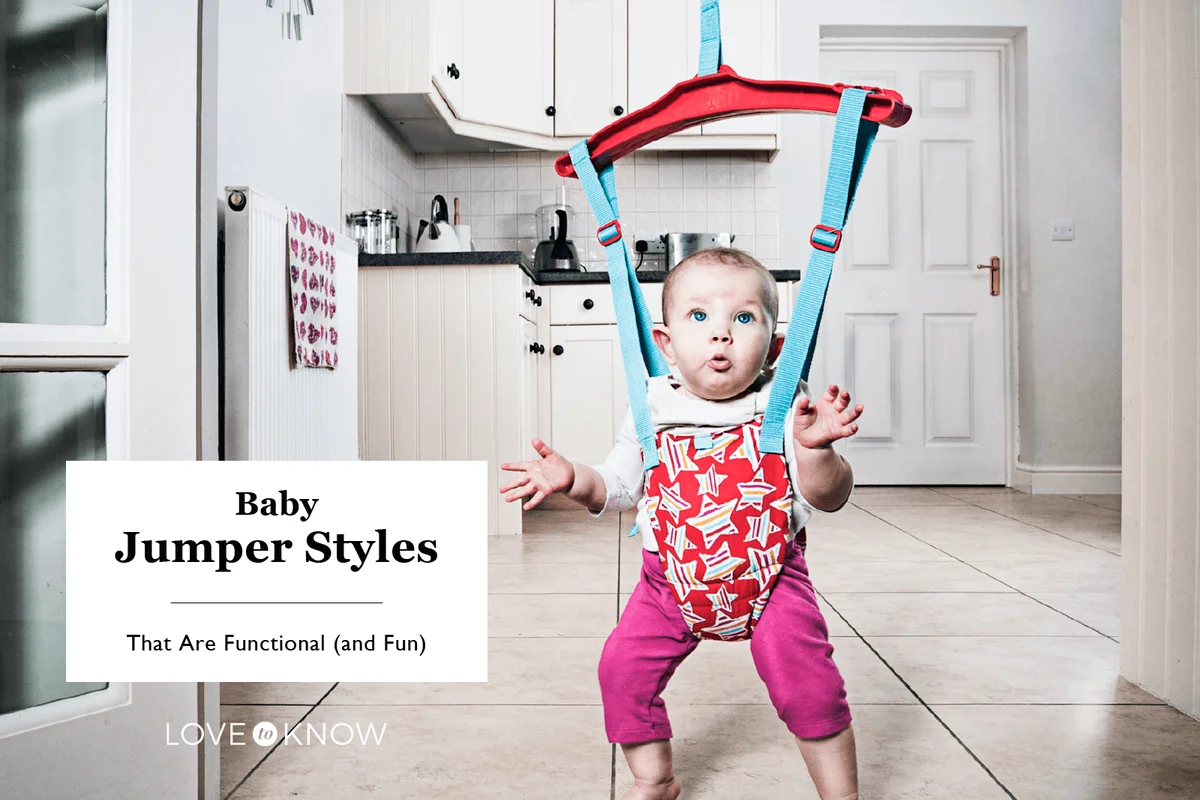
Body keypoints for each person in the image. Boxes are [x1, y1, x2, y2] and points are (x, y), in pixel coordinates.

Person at [500, 248, 864, 800]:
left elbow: (829, 497)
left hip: (770, 581)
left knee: (808, 683)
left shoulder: (785, 406)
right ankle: (655, 779)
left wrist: (816, 451)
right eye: (699, 315)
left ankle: (842, 795)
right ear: (666, 344)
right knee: (621, 670)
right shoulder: (652, 407)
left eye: (743, 317)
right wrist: (573, 478)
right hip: (668, 583)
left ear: (774, 347)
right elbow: (618, 487)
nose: (721, 333)